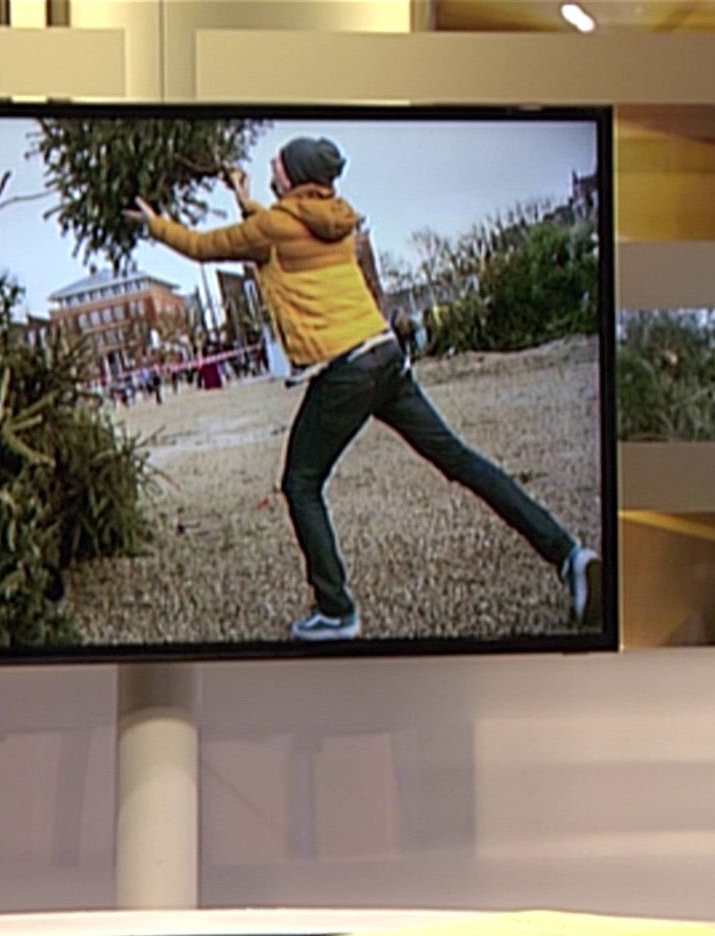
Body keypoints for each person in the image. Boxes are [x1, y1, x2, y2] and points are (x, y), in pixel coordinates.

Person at [126, 136, 601, 642]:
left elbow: (206, 247)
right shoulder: (334, 219)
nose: (270, 169)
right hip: (386, 355)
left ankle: (336, 611)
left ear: (292, 177)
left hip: (346, 371)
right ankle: (570, 555)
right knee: (459, 460)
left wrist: (156, 225)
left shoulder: (275, 228)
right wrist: (245, 199)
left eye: (277, 166)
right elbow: (281, 232)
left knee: (301, 483)